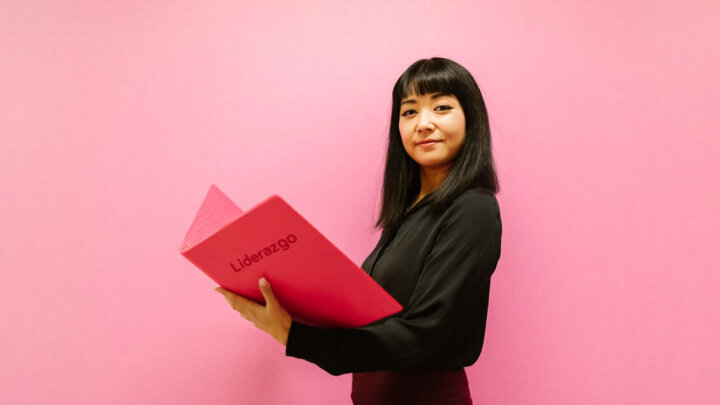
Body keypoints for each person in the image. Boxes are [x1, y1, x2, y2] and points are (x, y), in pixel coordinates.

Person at [215, 57, 502, 405]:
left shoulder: (473, 208)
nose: (424, 124)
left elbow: (421, 335)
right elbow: (374, 319)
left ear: (471, 118)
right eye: (409, 111)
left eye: (441, 107)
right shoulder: (408, 212)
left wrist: (294, 336)